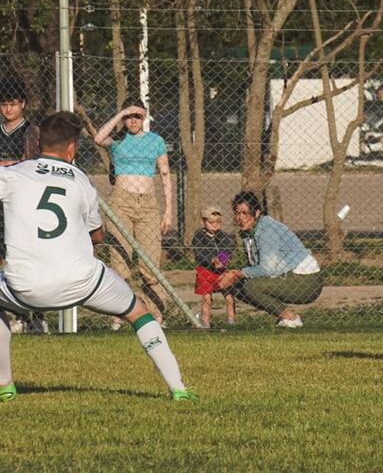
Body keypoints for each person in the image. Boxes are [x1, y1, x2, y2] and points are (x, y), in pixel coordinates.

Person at [0, 112, 195, 402]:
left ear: (38, 142)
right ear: (72, 148)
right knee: (139, 313)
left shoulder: (12, 175)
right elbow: (97, 236)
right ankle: (178, 387)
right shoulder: (81, 180)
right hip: (82, 282)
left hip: (25, 288)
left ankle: (5, 386)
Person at [94, 97, 173, 325]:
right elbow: (99, 138)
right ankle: (121, 315)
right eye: (129, 116)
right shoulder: (117, 140)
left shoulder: (156, 141)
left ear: (145, 115)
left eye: (137, 116)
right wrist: (121, 114)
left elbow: (165, 175)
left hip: (148, 205)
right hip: (121, 203)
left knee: (150, 266)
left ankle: (155, 315)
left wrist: (168, 211)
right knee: (120, 262)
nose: (133, 121)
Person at [214, 191, 325, 328]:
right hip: (284, 275)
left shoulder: (267, 230)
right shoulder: (248, 232)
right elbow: (232, 248)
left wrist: (237, 273)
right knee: (238, 286)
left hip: (306, 281)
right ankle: (285, 317)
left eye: (245, 213)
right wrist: (222, 259)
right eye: (237, 213)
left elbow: (267, 269)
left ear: (257, 213)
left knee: (250, 287)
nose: (240, 218)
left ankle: (291, 318)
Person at [0, 76, 45, 335]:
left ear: (23, 105)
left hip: (21, 205)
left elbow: (33, 166)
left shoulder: (31, 132)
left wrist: (10, 166)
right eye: (4, 104)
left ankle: (35, 316)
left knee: (24, 259)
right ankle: (11, 315)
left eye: (13, 104)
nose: (8, 109)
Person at [192, 206, 237, 328]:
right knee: (207, 299)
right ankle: (206, 323)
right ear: (204, 221)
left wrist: (222, 260)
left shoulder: (223, 236)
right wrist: (211, 260)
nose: (214, 225)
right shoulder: (199, 236)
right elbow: (199, 253)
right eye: (211, 222)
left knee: (229, 298)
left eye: (218, 222)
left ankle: (231, 322)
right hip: (206, 271)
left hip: (221, 271)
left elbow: (228, 249)